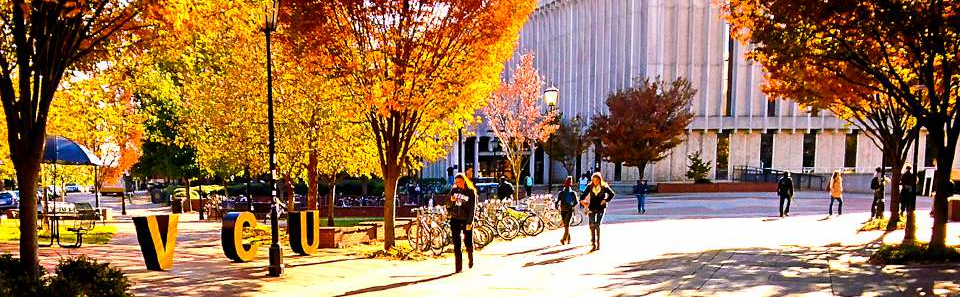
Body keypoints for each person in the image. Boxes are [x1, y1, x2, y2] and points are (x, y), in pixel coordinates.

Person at [446, 173, 477, 273]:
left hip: (466, 219)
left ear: (464, 181)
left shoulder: (470, 192)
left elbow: (472, 208)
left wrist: (470, 222)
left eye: (460, 182)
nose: (458, 184)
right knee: (456, 244)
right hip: (455, 219)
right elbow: (447, 204)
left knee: (468, 241)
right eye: (456, 182)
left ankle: (470, 257)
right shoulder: (454, 191)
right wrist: (451, 200)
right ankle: (458, 267)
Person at [580, 172, 616, 251]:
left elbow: (612, 194)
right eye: (593, 180)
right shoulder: (589, 186)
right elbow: (582, 196)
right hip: (592, 207)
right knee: (592, 225)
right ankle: (593, 242)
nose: (595, 182)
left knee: (597, 225)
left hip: (600, 207)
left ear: (599, 180)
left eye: (596, 180)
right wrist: (583, 203)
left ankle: (598, 242)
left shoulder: (604, 186)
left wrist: (605, 200)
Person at [554, 176, 579, 245]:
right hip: (563, 210)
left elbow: (576, 202)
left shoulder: (573, 193)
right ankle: (569, 238)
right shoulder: (561, 193)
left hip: (569, 210)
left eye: (569, 183)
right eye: (567, 183)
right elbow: (557, 201)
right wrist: (556, 205)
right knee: (566, 225)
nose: (568, 184)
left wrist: (572, 205)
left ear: (571, 184)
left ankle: (564, 238)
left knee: (566, 225)